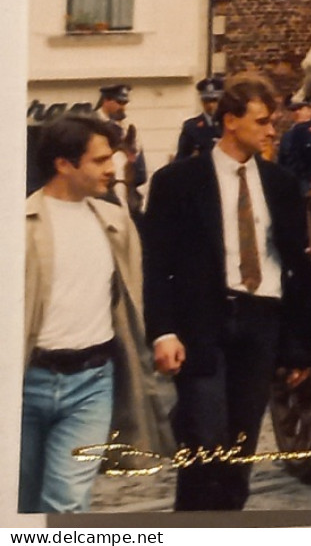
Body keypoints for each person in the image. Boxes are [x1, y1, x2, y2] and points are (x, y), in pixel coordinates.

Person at [142, 74, 311, 510]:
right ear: (231, 121)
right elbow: (156, 264)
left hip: (261, 323)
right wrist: (163, 332)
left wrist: (296, 348)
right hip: (202, 323)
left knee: (240, 448)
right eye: (261, 121)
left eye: (272, 121)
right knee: (205, 439)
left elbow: (293, 264)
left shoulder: (279, 183)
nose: (272, 130)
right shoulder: (178, 182)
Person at [23, 115, 171, 513]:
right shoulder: (21, 224)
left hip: (91, 385)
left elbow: (136, 295)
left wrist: (161, 335)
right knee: (20, 503)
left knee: (67, 503)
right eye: (100, 160)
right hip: (26, 385)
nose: (111, 169)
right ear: (64, 164)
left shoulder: (114, 222)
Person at [94, 84, 147, 217]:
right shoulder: (93, 125)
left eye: (124, 103)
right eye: (119, 102)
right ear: (106, 100)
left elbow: (140, 166)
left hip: (127, 190)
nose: (122, 107)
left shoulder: (127, 127)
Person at [174, 75, 226, 163]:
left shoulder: (230, 124)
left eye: (214, 100)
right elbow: (181, 158)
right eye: (206, 101)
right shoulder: (191, 127)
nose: (210, 105)